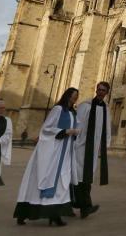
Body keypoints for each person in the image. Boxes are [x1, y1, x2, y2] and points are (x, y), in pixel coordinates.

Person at [14, 88, 80, 226]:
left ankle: (55, 215)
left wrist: (76, 132)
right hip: (52, 151)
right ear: (67, 96)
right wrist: (65, 131)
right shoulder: (58, 109)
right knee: (40, 179)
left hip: (65, 152)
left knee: (62, 181)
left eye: (76, 98)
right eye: (73, 97)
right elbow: (47, 128)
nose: (74, 100)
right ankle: (24, 213)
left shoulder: (73, 113)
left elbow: (76, 128)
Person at [73, 81, 111, 219]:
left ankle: (82, 207)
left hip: (93, 149)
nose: (100, 92)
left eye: (103, 90)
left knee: (87, 178)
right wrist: (75, 142)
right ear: (96, 90)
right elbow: (77, 124)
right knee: (79, 177)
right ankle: (85, 206)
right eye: (99, 89)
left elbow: (107, 128)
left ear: (106, 93)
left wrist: (104, 146)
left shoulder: (106, 108)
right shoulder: (86, 105)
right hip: (81, 147)